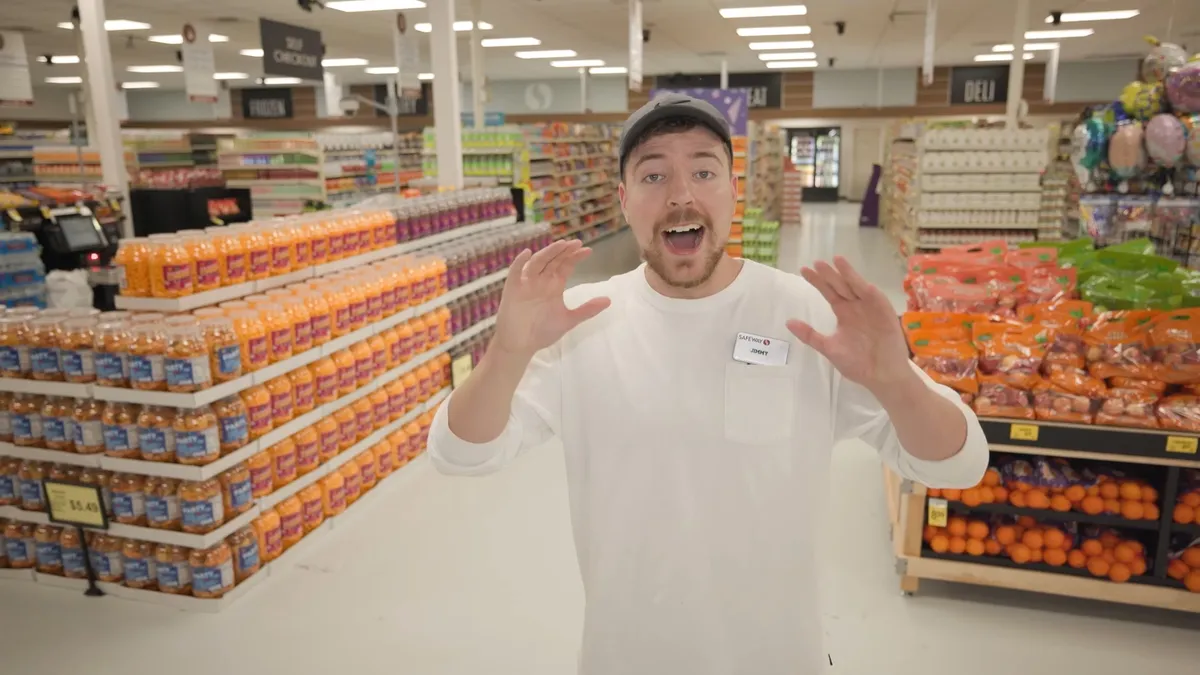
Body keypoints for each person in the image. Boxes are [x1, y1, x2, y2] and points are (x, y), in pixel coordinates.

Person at [429, 93, 990, 674]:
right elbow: (459, 455)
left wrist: (897, 381)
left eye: (703, 170)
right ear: (623, 200)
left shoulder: (804, 313)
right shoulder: (581, 319)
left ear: (733, 189)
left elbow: (959, 463)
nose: (680, 194)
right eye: (653, 174)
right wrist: (507, 354)